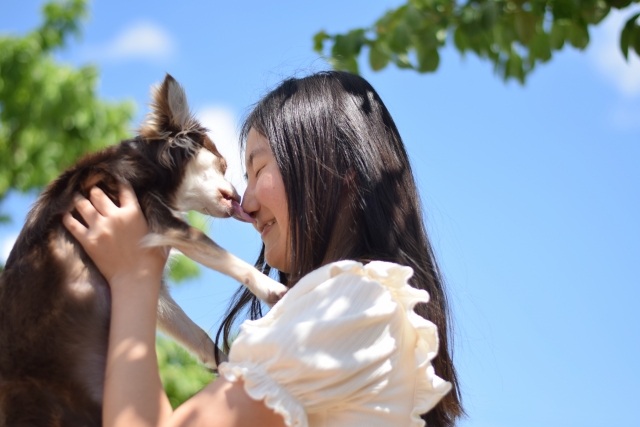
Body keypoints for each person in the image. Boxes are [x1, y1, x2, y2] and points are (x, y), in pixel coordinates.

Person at [64, 71, 463, 427]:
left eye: (258, 170)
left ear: (340, 171)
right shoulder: (357, 311)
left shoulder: (350, 301)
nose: (247, 203)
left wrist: (134, 278)